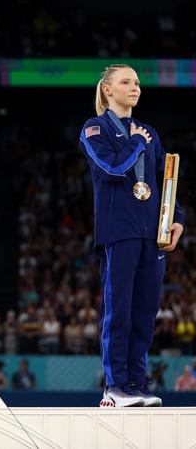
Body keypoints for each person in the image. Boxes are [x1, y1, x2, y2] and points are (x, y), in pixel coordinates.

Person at [79, 64, 184, 407]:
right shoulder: (94, 129)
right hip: (119, 231)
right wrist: (137, 142)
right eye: (126, 82)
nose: (135, 87)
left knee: (145, 311)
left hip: (151, 234)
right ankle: (115, 385)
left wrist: (176, 218)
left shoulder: (149, 132)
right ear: (108, 90)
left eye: (137, 82)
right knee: (119, 309)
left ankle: (137, 384)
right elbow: (111, 169)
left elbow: (162, 180)